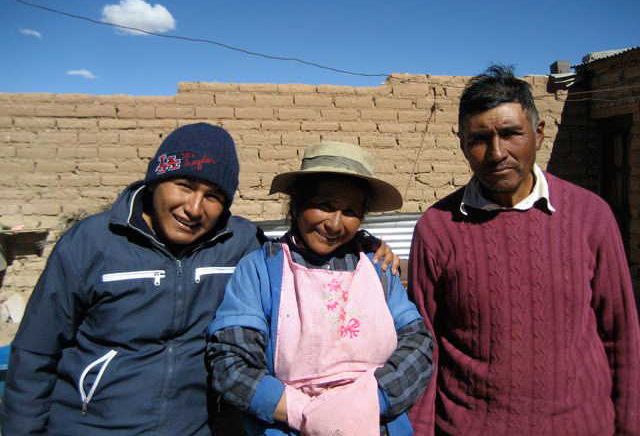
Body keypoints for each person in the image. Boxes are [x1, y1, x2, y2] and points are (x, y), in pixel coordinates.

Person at [1, 124, 398, 436]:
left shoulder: (240, 242)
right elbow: (35, 357)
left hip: (201, 429)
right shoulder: (91, 244)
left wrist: (362, 242)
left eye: (213, 196)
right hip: (91, 427)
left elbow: (305, 244)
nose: (194, 208)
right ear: (156, 180)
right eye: (185, 186)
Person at [408, 65, 640, 435]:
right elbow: (425, 346)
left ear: (539, 133)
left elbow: (622, 332)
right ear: (463, 144)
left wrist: (631, 424)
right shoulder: (437, 229)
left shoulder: (590, 216)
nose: (497, 153)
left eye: (511, 134)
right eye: (480, 138)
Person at [207, 141, 434, 436]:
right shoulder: (260, 270)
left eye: (350, 211)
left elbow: (419, 344)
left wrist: (366, 403)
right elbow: (230, 364)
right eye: (325, 206)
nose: (335, 224)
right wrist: (307, 413)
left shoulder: (377, 268)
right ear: (298, 203)